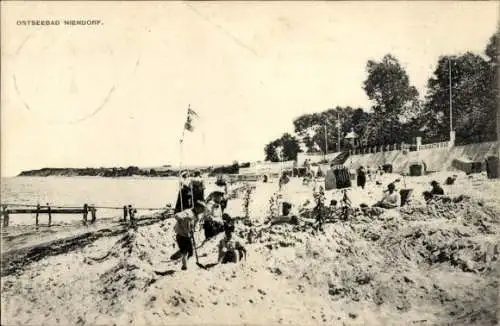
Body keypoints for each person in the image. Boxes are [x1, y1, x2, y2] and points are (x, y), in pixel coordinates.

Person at [173, 200, 206, 270]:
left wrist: (193, 230)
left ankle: (181, 253)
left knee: (190, 252)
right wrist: (182, 218)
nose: (201, 211)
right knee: (185, 251)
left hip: (187, 235)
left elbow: (195, 225)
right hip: (181, 235)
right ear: (197, 207)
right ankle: (184, 266)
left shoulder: (197, 216)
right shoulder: (187, 212)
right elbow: (177, 215)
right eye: (201, 209)